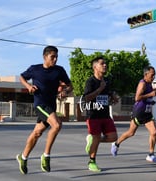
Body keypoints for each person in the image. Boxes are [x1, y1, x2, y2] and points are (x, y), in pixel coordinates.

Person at [16, 45, 73, 174]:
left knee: (37, 133)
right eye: (52, 57)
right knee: (57, 125)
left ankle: (23, 157)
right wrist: (28, 86)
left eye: (57, 57)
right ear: (45, 57)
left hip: (51, 105)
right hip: (40, 105)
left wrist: (65, 91)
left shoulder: (59, 70)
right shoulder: (35, 69)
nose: (55, 59)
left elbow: (70, 86)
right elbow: (22, 76)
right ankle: (46, 156)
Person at [111, 66, 156, 163]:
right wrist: (150, 95)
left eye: (154, 74)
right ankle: (116, 144)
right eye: (152, 75)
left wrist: (151, 101)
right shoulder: (142, 84)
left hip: (147, 113)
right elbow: (137, 98)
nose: (154, 77)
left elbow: (146, 98)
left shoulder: (149, 83)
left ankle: (151, 154)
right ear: (146, 74)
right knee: (131, 132)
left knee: (154, 132)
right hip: (138, 112)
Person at [83, 56, 118, 172]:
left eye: (105, 64)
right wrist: (99, 89)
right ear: (95, 67)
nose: (105, 65)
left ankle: (92, 140)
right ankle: (92, 162)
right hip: (93, 115)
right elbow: (86, 98)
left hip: (105, 114)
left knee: (113, 137)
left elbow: (108, 93)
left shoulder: (107, 80)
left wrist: (112, 97)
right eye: (102, 64)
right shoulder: (91, 81)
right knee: (96, 137)